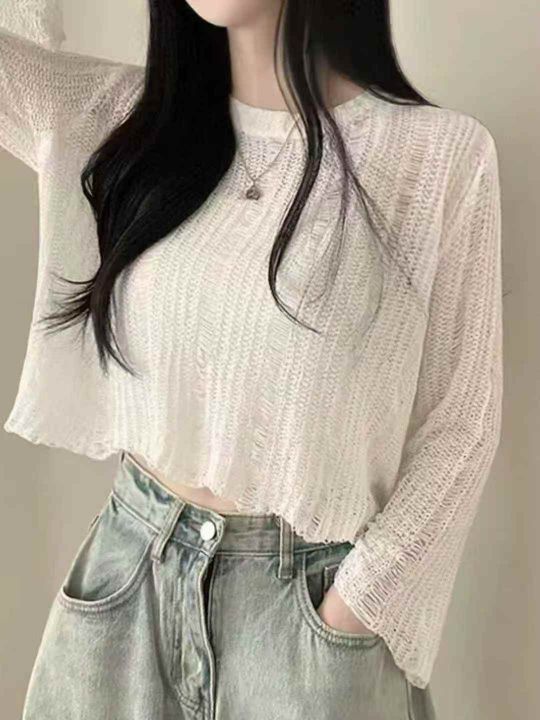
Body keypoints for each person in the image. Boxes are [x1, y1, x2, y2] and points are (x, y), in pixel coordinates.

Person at [0, 1, 503, 718]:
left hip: (307, 623)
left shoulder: (436, 157)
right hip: (125, 589)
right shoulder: (125, 121)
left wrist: (355, 610)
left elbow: (462, 427)